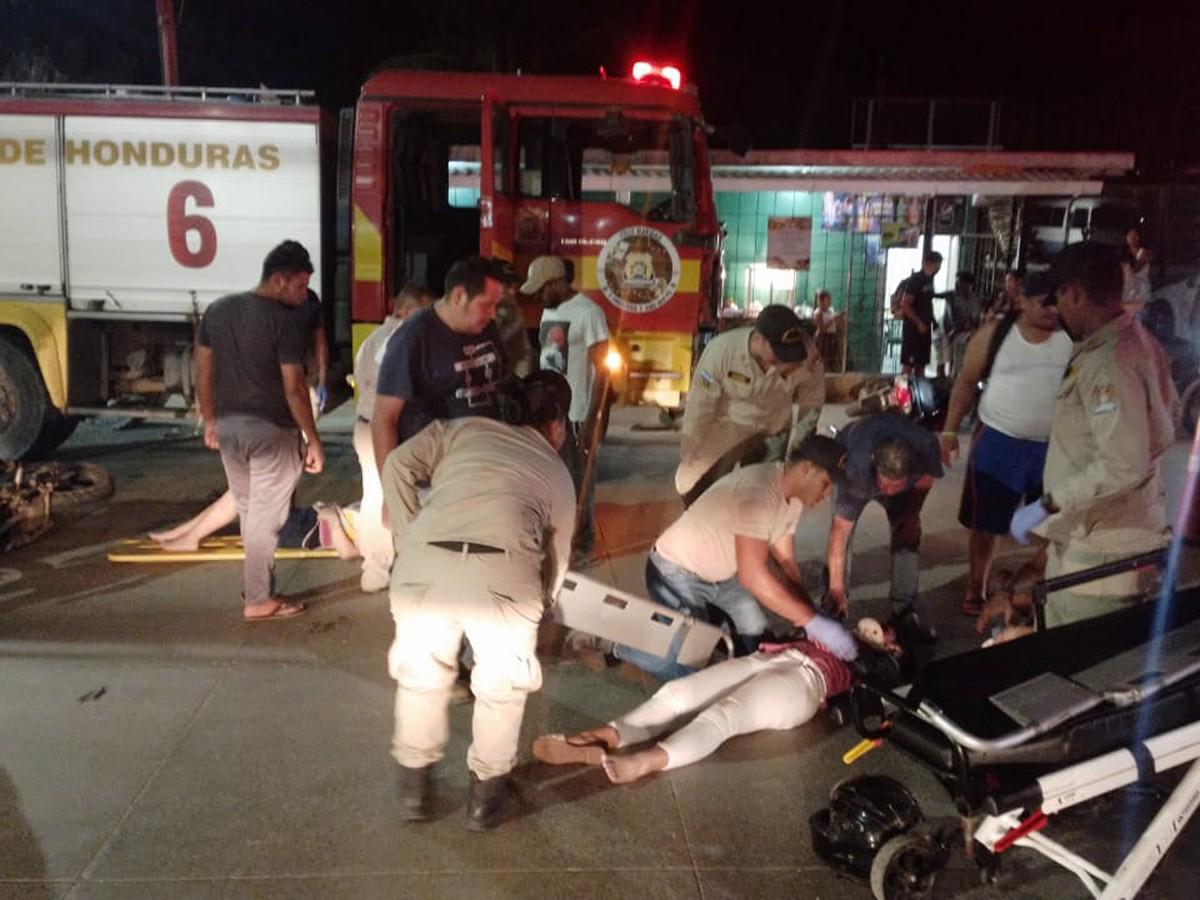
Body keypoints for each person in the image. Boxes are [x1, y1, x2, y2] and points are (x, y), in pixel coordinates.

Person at [381, 371, 576, 831]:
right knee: (501, 688)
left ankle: (414, 792)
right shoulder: (555, 471)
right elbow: (558, 557)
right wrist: (539, 601)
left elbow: (396, 467)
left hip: (425, 564)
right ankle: (485, 800)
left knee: (421, 676)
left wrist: (410, 537)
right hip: (503, 576)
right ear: (556, 426)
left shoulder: (459, 430)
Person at [1009, 242, 1179, 626]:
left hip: (1100, 556)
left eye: (1059, 300)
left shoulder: (1108, 362)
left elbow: (1123, 462)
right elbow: (1166, 429)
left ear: (1074, 292)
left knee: (1072, 668)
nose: (1057, 311)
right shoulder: (1141, 343)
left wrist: (1048, 504)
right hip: (1122, 541)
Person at [533, 619, 898, 784]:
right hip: (771, 659)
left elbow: (883, 681)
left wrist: (880, 654)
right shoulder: (837, 631)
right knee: (678, 694)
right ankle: (597, 740)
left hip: (806, 684)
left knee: (723, 717)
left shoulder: (873, 663)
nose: (872, 631)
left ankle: (646, 762)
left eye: (884, 634)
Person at [612, 435, 858, 680]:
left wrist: (809, 613)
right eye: (825, 484)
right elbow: (753, 576)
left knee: (757, 637)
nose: (826, 494)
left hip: (722, 578)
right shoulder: (760, 492)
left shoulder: (792, 500)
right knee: (686, 664)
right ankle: (620, 645)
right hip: (675, 571)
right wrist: (812, 621)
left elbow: (786, 562)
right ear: (806, 469)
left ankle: (722, 657)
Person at [195, 239, 324, 622]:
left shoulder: (218, 311)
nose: (304, 296)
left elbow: (202, 370)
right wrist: (312, 438)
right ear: (280, 281)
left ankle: (257, 589)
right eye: (300, 287)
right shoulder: (282, 322)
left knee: (252, 513)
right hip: (273, 433)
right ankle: (258, 599)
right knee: (266, 519)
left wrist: (211, 418)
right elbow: (294, 388)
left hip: (231, 431)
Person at [938, 275, 1073, 615]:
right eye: (1044, 302)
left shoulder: (1075, 337)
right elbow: (966, 383)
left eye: (1056, 301)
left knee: (1055, 519)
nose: (1052, 310)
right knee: (986, 524)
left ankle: (1033, 585)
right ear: (1021, 302)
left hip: (1054, 446)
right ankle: (976, 589)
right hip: (998, 443)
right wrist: (950, 432)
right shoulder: (996, 335)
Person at [371, 255, 513, 475]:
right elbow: (384, 418)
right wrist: (391, 493)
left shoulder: (487, 328)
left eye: (495, 305)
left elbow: (501, 381)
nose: (493, 313)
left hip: (484, 462)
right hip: (435, 475)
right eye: (486, 305)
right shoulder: (412, 340)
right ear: (458, 296)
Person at [675, 304, 825, 507]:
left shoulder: (806, 358)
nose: (785, 360)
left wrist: (799, 450)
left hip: (773, 429)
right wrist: (691, 450)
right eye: (779, 353)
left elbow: (812, 403)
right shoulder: (722, 351)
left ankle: (753, 533)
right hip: (729, 427)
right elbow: (701, 406)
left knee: (765, 497)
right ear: (759, 339)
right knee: (691, 485)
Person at [825, 413, 944, 642]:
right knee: (844, 536)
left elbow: (927, 478)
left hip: (903, 463)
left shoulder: (926, 447)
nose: (888, 492)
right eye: (884, 485)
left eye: (895, 486)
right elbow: (840, 532)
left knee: (907, 534)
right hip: (851, 450)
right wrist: (836, 587)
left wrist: (911, 512)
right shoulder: (857, 471)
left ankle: (904, 609)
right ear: (876, 470)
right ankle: (835, 603)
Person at [524, 255, 611, 564]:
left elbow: (604, 370)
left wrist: (592, 420)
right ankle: (559, 542)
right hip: (550, 413)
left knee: (578, 483)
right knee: (552, 482)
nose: (537, 296)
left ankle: (583, 546)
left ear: (558, 283)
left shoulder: (589, 313)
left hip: (576, 415)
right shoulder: (551, 310)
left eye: (542, 288)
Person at [351, 283, 434, 592]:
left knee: (373, 495)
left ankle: (374, 569)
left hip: (364, 425)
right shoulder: (406, 339)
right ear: (406, 310)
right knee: (407, 495)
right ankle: (414, 568)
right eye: (424, 311)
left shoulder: (370, 340)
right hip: (391, 429)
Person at [150, 492, 360, 560]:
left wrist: (333, 521)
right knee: (240, 488)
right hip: (303, 518)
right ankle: (185, 533)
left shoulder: (385, 534)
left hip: (295, 532)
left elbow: (349, 553)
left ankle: (188, 535)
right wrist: (332, 509)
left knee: (240, 491)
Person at [892, 251, 942, 376]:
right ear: (928, 263)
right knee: (908, 367)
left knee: (921, 365)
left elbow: (926, 304)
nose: (938, 268)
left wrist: (933, 322)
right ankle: (899, 394)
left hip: (925, 329)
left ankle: (917, 393)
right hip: (913, 329)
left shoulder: (929, 280)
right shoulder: (916, 280)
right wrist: (919, 323)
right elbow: (905, 305)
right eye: (937, 265)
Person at [291, 287, 330, 416]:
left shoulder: (309, 298)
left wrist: (322, 379)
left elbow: (320, 340)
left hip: (307, 373)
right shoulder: (272, 301)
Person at [937, 271, 981, 377]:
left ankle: (953, 381)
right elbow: (934, 295)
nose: (956, 286)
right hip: (945, 331)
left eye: (960, 283)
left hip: (962, 334)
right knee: (942, 360)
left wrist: (956, 331)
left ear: (968, 285)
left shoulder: (973, 301)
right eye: (956, 283)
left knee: (957, 365)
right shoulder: (950, 295)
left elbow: (973, 322)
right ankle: (941, 380)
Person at [1123, 226, 1152, 312]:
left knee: (1137, 315)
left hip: (1140, 289)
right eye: (1130, 235)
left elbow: (1136, 269)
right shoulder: (1125, 253)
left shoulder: (1143, 252)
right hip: (1129, 289)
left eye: (1134, 235)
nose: (1132, 238)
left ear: (1139, 237)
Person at [813, 290, 843, 371]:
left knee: (832, 360)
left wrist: (838, 320)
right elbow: (821, 329)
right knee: (823, 361)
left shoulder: (830, 311)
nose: (830, 302)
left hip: (831, 338)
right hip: (823, 339)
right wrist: (833, 319)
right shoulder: (818, 313)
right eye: (828, 300)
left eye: (830, 299)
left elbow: (835, 325)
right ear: (821, 301)